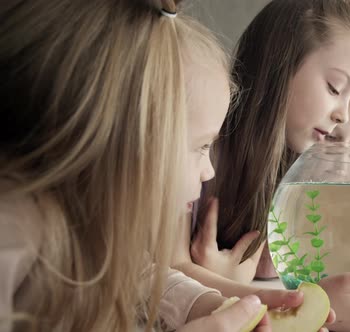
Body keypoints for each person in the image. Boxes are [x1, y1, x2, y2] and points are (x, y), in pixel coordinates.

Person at [0, 0, 271, 331]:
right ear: (127, 141)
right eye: (200, 146)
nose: (208, 171)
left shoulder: (94, 225)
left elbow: (142, 278)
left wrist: (206, 305)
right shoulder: (13, 237)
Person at [178, 1, 350, 331]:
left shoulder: (296, 179)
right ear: (281, 62)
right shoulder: (197, 151)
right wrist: (314, 307)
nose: (343, 113)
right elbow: (166, 269)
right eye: (335, 88)